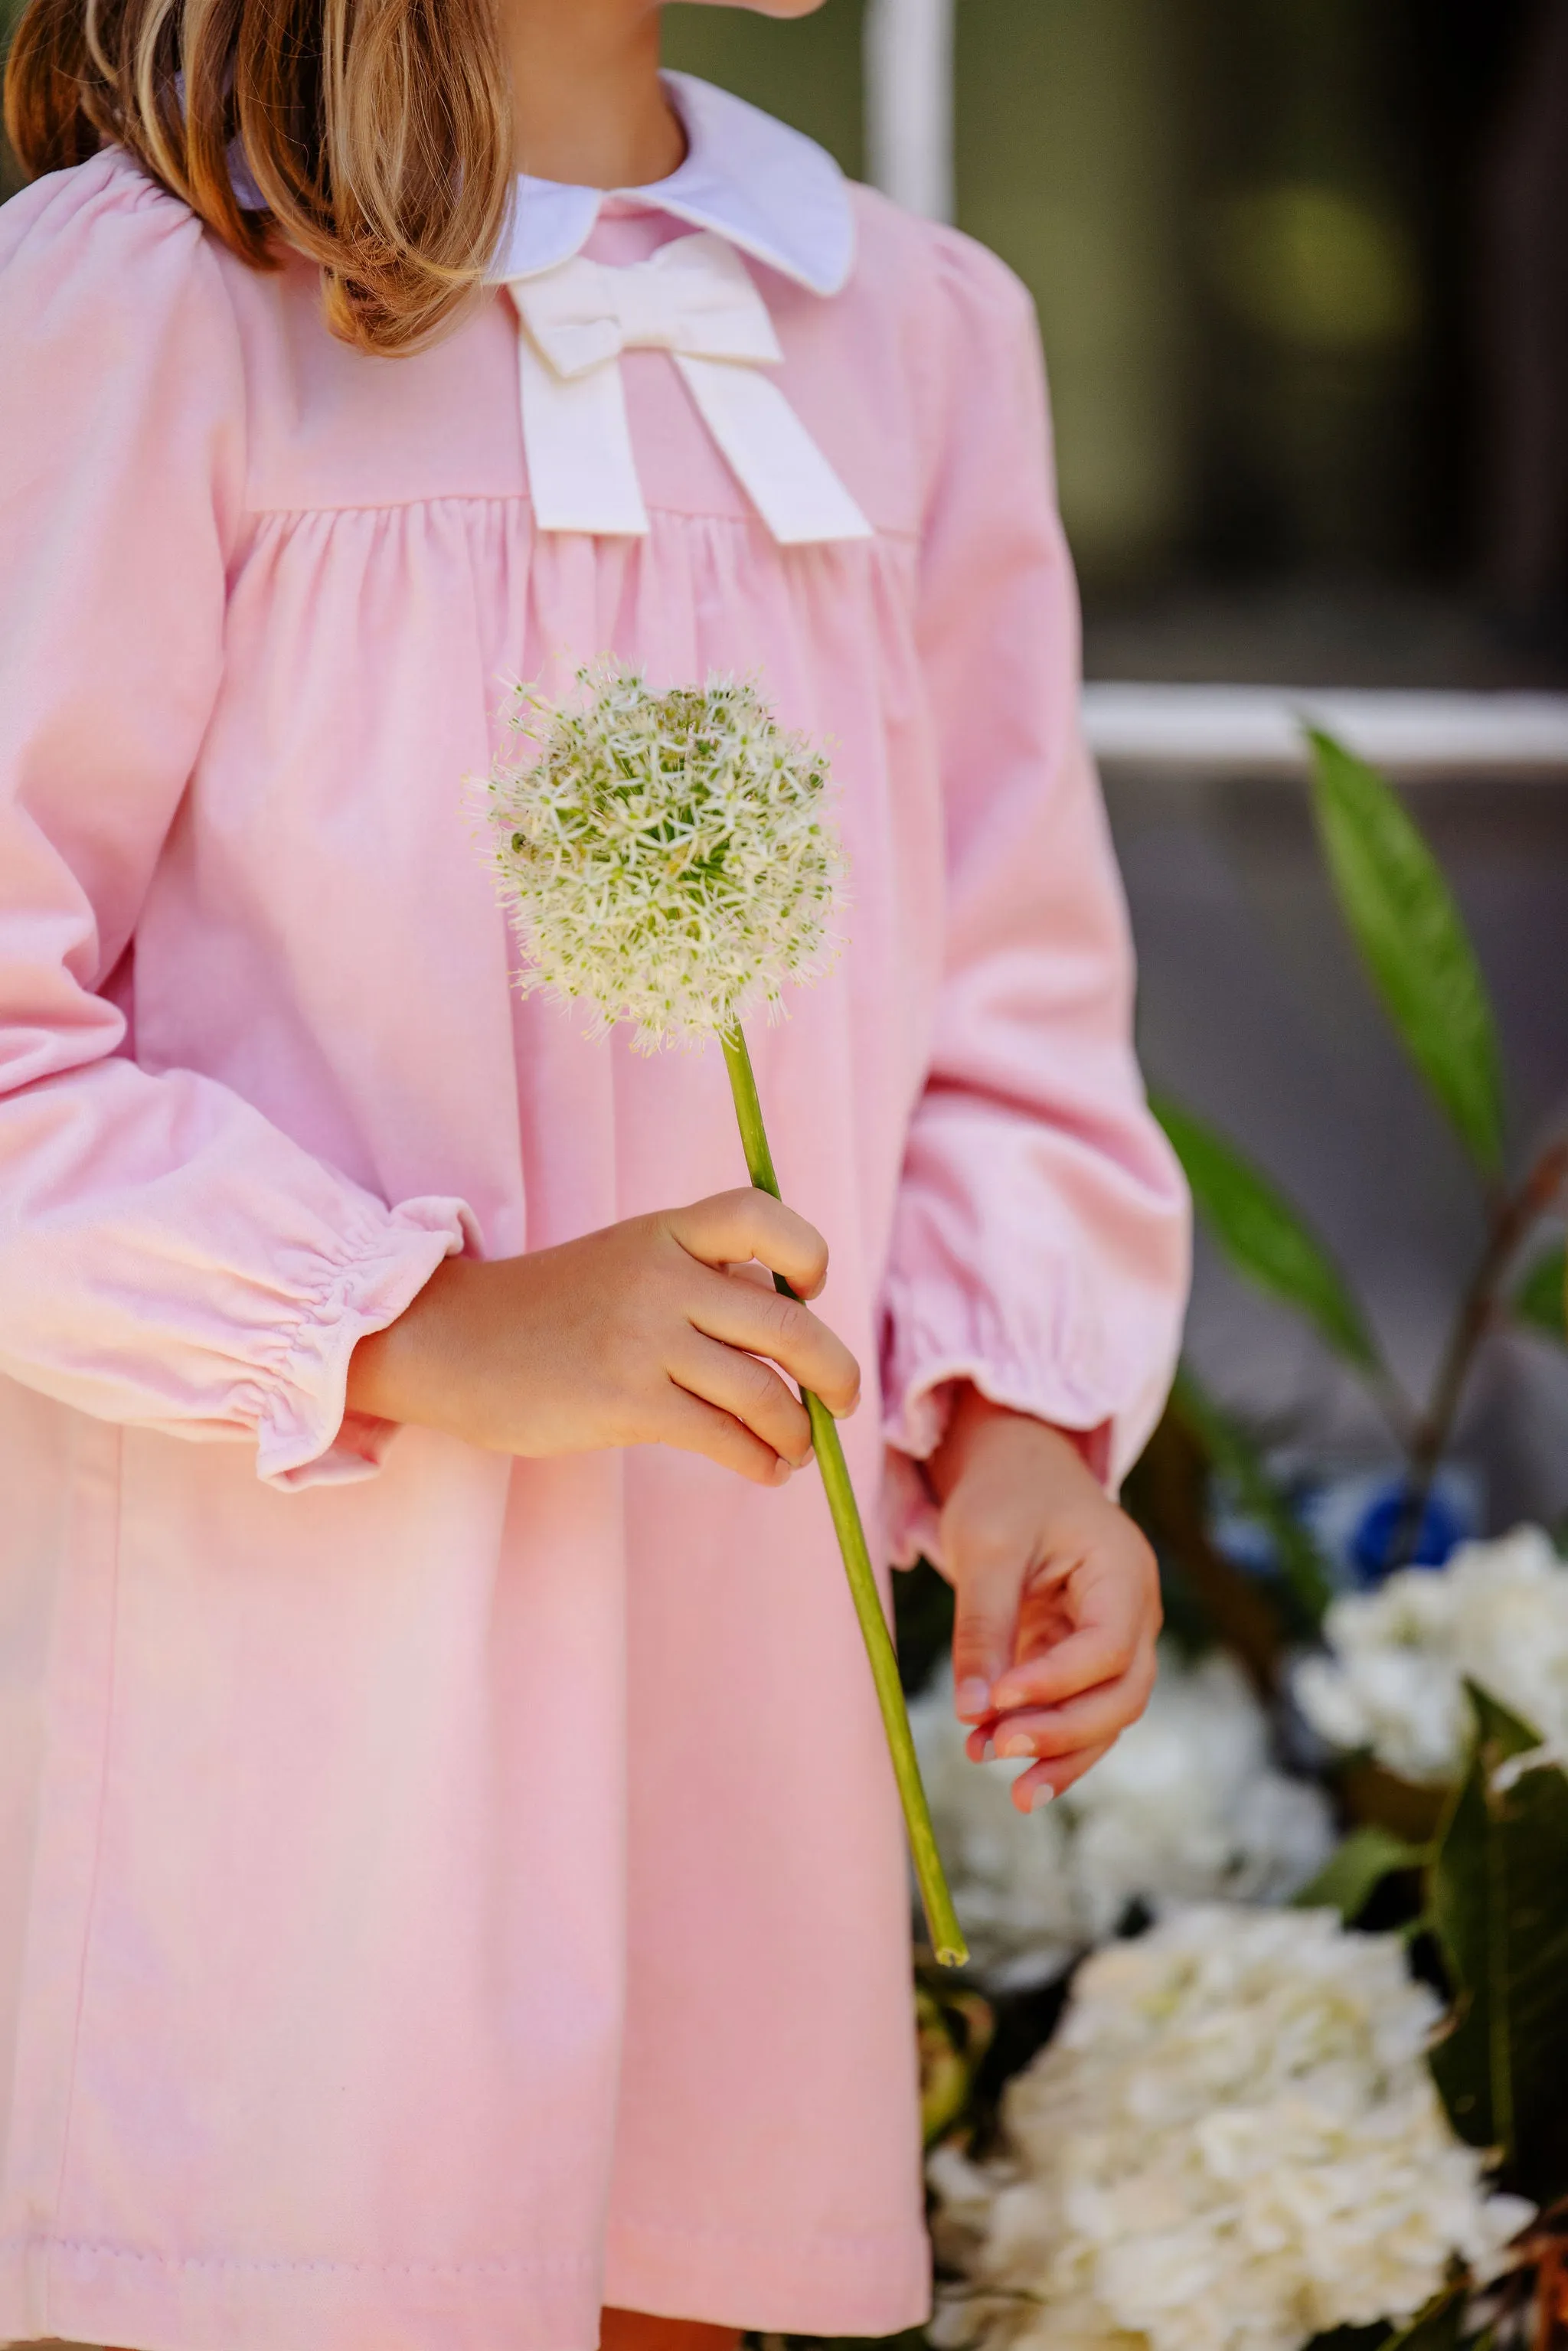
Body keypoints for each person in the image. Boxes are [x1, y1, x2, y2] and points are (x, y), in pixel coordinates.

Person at [0, 2, 1189, 2346]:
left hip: (729, 1793)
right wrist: (431, 1323)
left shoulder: (917, 341)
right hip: (282, 1835)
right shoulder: (135, 313)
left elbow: (1011, 1016)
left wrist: (1028, 1441)